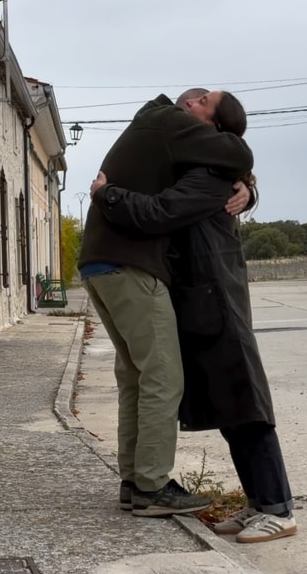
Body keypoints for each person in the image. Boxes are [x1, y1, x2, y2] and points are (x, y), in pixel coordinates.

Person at [90, 91, 296, 544]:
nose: (195, 98)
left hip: (219, 301)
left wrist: (108, 193)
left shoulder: (209, 181)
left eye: (207, 101)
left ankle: (278, 507)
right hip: (201, 303)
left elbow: (160, 212)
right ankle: (259, 503)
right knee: (230, 405)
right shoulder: (200, 170)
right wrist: (248, 184)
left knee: (246, 404)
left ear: (211, 133)